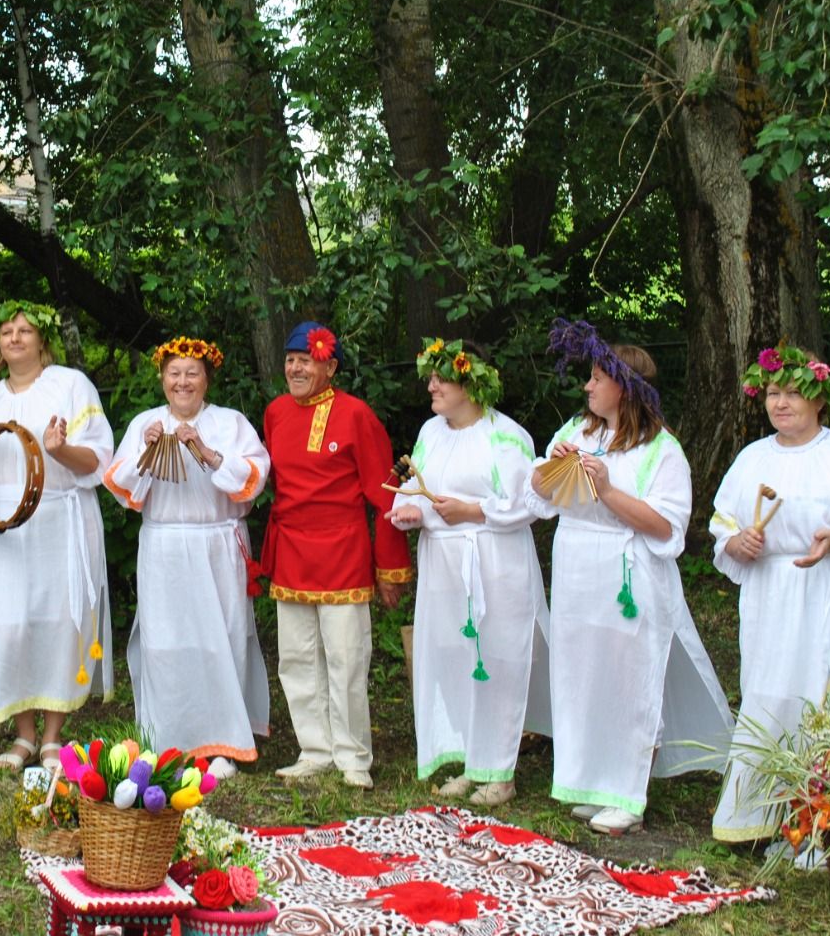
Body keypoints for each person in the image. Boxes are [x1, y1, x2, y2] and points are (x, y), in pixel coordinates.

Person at [525, 320, 732, 835]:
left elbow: (667, 526)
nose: (588, 386)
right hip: (577, 571)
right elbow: (538, 492)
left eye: (597, 377)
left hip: (630, 577)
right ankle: (592, 782)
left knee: (628, 680)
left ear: (625, 386)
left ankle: (628, 794)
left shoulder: (662, 449)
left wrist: (609, 489)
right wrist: (548, 468)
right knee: (582, 676)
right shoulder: (579, 431)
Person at [709, 345, 830, 842]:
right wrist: (739, 542)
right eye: (773, 393)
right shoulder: (753, 458)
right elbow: (722, 527)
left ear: (820, 400)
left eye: (794, 393)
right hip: (773, 597)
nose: (781, 402)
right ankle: (762, 816)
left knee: (828, 693)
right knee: (770, 692)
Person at [385, 339, 550, 806]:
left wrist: (473, 510)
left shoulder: (506, 434)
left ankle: (500, 769)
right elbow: (414, 484)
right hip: (443, 561)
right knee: (455, 655)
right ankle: (472, 758)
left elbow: (526, 503)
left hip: (494, 560)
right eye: (430, 377)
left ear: (472, 382)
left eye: (442, 378)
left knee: (495, 658)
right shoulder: (431, 432)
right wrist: (409, 511)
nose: (431, 386)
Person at [0, 301, 114, 773]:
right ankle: (21, 736)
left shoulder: (69, 385)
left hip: (60, 522)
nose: (16, 338)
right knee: (10, 624)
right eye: (7, 332)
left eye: (26, 330)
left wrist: (61, 449)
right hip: (4, 529)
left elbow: (99, 463)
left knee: (57, 624)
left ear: (43, 340)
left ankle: (50, 739)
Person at [104, 336, 270, 777]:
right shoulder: (146, 423)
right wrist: (147, 450)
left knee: (223, 638)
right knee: (165, 642)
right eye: (174, 374)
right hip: (164, 547)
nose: (182, 382)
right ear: (162, 379)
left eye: (191, 374)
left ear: (206, 380)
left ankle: (225, 744)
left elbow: (253, 481)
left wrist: (206, 452)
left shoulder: (230, 423)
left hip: (216, 543)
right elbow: (122, 489)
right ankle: (167, 738)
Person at [261, 320, 411, 790]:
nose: (295, 368)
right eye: (290, 360)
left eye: (305, 360)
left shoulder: (356, 415)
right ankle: (314, 749)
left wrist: (389, 567)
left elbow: (385, 495)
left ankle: (352, 757)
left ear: (330, 366)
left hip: (343, 551)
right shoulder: (276, 412)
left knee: (347, 657)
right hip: (292, 551)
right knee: (296, 657)